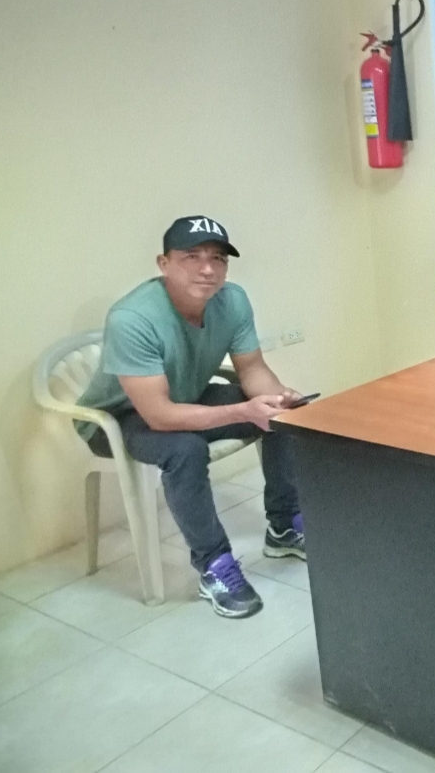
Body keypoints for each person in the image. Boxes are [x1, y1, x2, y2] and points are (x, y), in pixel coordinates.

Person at [77, 216, 307, 619]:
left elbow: (252, 369)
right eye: (192, 257)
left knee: (283, 416)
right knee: (184, 449)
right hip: (120, 417)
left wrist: (276, 397)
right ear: (163, 263)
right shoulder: (132, 318)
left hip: (186, 394)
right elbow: (160, 416)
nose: (207, 269)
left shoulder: (232, 300)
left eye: (218, 258)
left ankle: (284, 525)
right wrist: (242, 410)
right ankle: (214, 565)